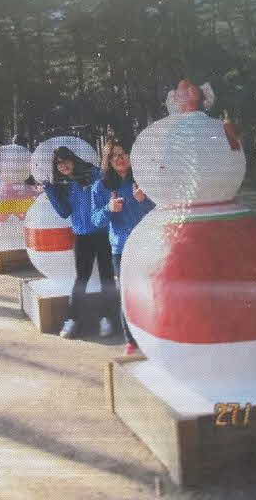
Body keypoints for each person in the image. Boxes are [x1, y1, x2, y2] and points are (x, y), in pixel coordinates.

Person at [42, 146, 117, 339]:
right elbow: (64, 212)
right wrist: (50, 190)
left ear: (73, 159)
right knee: (81, 279)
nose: (63, 166)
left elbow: (106, 186)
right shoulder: (63, 184)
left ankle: (107, 317)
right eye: (58, 164)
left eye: (65, 161)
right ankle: (73, 319)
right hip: (82, 237)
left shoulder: (93, 173)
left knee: (107, 277)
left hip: (103, 233)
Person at [91, 138, 155, 354]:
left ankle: (153, 336)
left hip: (148, 245)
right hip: (122, 248)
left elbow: (160, 210)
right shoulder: (101, 187)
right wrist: (109, 209)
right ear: (107, 161)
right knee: (128, 295)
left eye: (123, 153)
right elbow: (95, 220)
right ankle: (131, 340)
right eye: (113, 156)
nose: (119, 159)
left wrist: (144, 200)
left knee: (152, 291)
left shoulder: (144, 180)